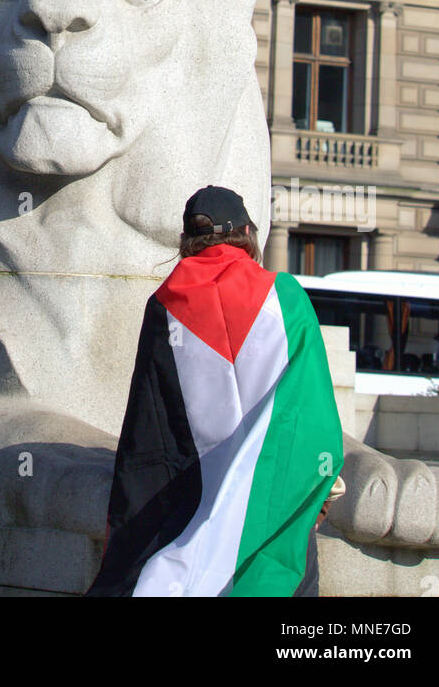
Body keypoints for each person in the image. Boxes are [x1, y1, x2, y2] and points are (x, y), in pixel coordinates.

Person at [85, 185, 344, 597]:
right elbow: (311, 414)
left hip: (189, 512)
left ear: (187, 239)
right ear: (247, 233)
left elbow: (148, 430)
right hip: (274, 510)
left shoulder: (164, 305)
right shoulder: (286, 298)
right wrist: (324, 490)